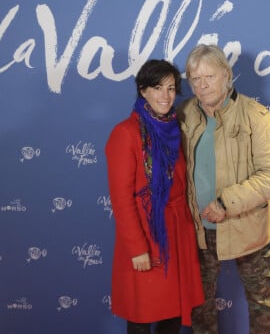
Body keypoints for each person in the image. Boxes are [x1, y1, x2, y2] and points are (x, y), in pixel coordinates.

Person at [177, 44, 270, 334]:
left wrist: (226, 203)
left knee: (261, 306)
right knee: (199, 308)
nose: (202, 85)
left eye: (209, 77)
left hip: (248, 229)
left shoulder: (256, 115)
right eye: (194, 79)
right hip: (199, 232)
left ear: (226, 74)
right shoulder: (183, 114)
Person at [105, 59, 204, 334]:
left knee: (173, 312)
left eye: (171, 88)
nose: (165, 96)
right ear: (143, 90)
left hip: (177, 234)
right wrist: (137, 248)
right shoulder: (125, 133)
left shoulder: (175, 128)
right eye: (158, 88)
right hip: (147, 235)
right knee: (141, 314)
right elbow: (122, 199)